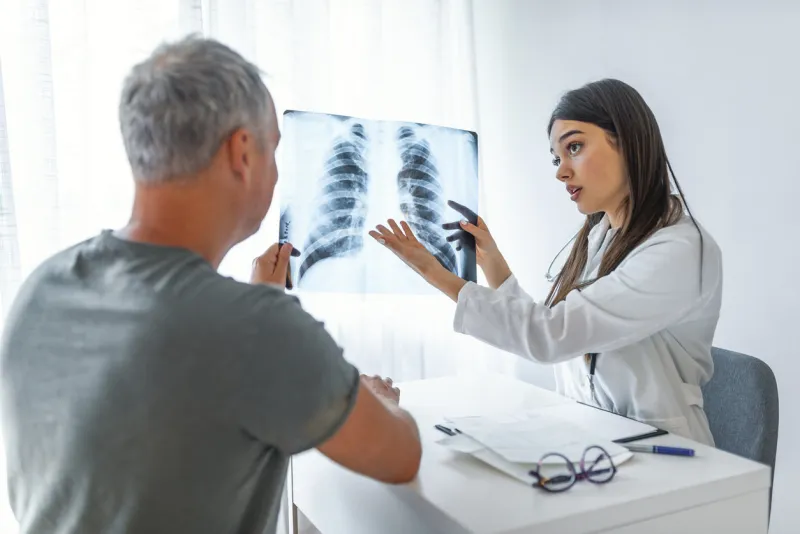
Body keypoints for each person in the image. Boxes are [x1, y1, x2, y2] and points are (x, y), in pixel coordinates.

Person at [0, 36, 421, 534]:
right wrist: (379, 402)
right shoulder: (257, 330)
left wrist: (261, 306)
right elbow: (401, 457)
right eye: (273, 149)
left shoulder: (44, 286)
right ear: (242, 153)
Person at [370, 78, 722, 446]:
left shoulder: (680, 249)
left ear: (628, 141)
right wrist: (493, 263)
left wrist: (433, 271)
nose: (560, 171)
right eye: (557, 158)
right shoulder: (600, 237)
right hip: (597, 441)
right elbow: (555, 325)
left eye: (574, 147)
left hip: (667, 453)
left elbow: (552, 334)